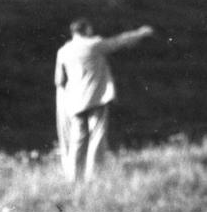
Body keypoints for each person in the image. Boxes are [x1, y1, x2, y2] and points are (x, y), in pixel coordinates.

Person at [54, 18, 155, 183]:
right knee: (97, 136)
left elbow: (59, 80)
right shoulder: (93, 45)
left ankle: (73, 177)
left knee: (77, 139)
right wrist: (141, 33)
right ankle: (93, 175)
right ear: (86, 30)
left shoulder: (63, 51)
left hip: (74, 102)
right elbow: (119, 42)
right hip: (96, 98)